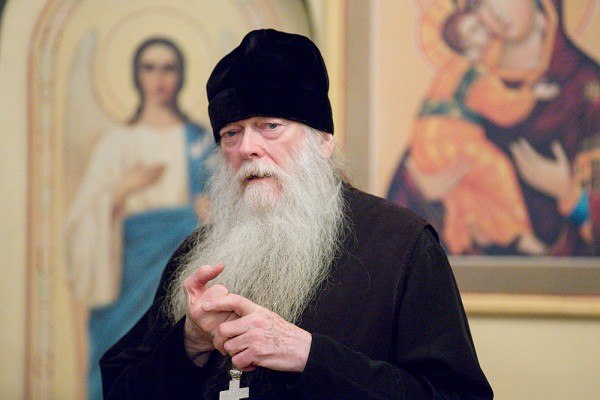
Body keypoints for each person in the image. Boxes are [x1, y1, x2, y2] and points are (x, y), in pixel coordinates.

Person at [100, 29, 493, 399]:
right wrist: (191, 342)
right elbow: (121, 388)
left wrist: (308, 355)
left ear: (322, 142)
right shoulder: (199, 251)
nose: (247, 148)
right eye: (231, 133)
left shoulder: (402, 244)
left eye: (270, 126)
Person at [388, 0, 600, 256]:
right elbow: (395, 223)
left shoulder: (586, 89)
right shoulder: (466, 83)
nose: (495, 8)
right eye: (480, 2)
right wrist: (422, 189)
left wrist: (570, 195)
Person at [65, 37, 214, 400]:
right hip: (127, 274)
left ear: (180, 75)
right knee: (119, 361)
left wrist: (205, 213)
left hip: (180, 269)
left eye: (168, 68)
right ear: (136, 75)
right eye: (150, 68)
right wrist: (120, 191)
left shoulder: (199, 141)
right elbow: (81, 219)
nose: (159, 78)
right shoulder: (117, 142)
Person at [409, 8, 555, 255]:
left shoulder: (455, 67)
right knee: (497, 170)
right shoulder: (475, 72)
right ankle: (520, 234)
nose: (487, 31)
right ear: (464, 44)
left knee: (466, 190)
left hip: (429, 144)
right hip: (451, 140)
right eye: (476, 29)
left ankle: (470, 231)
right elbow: (503, 107)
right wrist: (532, 94)